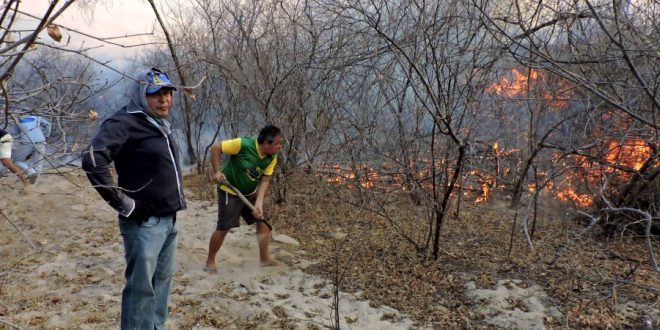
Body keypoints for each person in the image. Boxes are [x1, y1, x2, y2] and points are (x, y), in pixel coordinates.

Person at [81, 67, 186, 329]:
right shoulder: (124, 122)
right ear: (141, 94)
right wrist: (126, 205)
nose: (164, 99)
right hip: (144, 224)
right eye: (155, 94)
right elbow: (93, 160)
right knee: (141, 290)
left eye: (167, 93)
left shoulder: (157, 123)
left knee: (160, 285)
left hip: (168, 220)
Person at [204, 125, 283, 273]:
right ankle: (210, 261)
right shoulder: (244, 144)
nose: (280, 147)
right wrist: (217, 171)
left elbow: (265, 180)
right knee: (223, 228)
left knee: (263, 221)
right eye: (277, 144)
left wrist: (259, 203)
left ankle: (264, 258)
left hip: (251, 192)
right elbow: (216, 148)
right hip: (230, 190)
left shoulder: (272, 157)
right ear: (266, 144)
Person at [12, 114, 52, 184]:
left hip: (26, 142)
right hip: (41, 141)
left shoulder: (17, 120)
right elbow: (48, 125)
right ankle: (33, 186)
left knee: (15, 160)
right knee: (38, 164)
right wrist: (46, 136)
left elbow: (17, 135)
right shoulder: (37, 118)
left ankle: (30, 171)